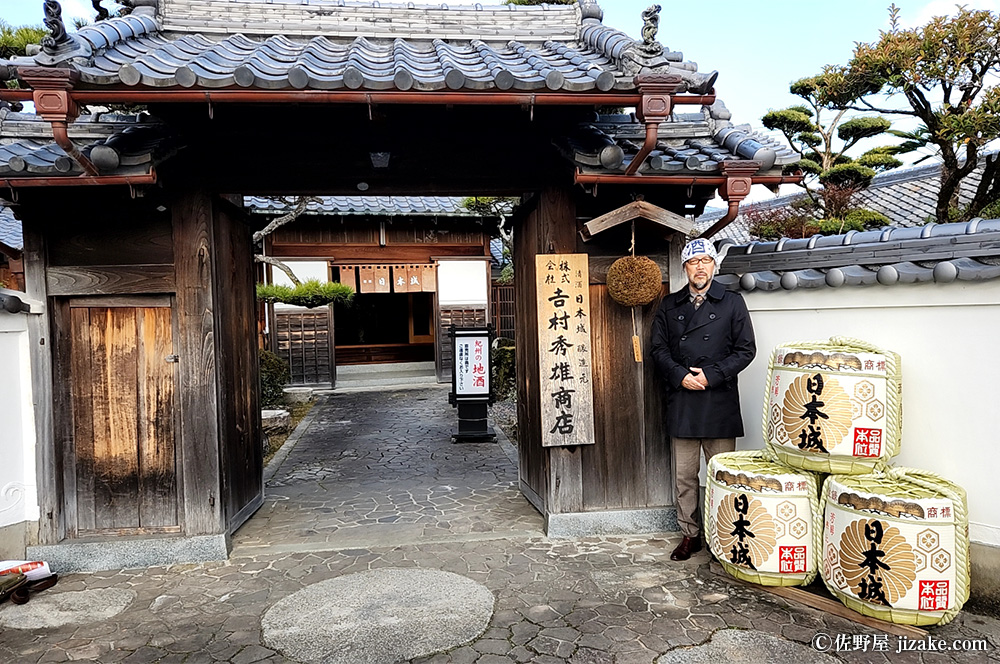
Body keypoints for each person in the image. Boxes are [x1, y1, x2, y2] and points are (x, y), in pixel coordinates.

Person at [650, 238, 756, 561]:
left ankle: (723, 537)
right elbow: (658, 350)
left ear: (714, 265)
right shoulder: (669, 305)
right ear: (685, 268)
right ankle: (689, 534)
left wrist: (711, 375)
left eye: (705, 261)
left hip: (718, 400)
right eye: (693, 262)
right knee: (684, 476)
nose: (700, 267)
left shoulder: (732, 303)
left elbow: (746, 350)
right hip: (682, 398)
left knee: (722, 475)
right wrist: (681, 376)